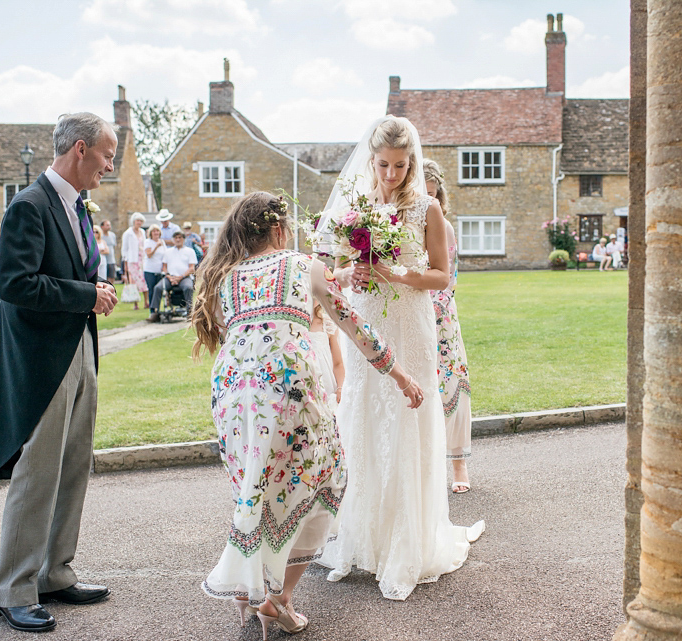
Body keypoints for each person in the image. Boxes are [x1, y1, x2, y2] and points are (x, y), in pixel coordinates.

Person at [191, 191, 422, 640]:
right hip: (287, 390)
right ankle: (277, 599)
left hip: (233, 394)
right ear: (279, 229)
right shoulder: (304, 265)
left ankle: (252, 587)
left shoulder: (224, 275)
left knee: (255, 489)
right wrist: (401, 375)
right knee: (329, 481)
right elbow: (358, 328)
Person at [318, 115, 484, 601]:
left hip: (411, 323)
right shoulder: (356, 205)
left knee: (408, 418)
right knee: (366, 414)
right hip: (367, 320)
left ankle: (408, 539)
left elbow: (441, 277)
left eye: (399, 165)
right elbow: (336, 271)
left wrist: (398, 274)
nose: (391, 174)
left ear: (411, 162)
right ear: (371, 160)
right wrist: (355, 273)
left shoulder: (427, 208)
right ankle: (365, 537)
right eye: (383, 165)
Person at [0, 112, 118, 633]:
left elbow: (70, 272)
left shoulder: (76, 205)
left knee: (74, 465)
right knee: (38, 473)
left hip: (79, 348)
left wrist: (94, 288)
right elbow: (15, 284)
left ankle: (54, 573)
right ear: (80, 149)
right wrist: (88, 294)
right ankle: (13, 590)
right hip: (40, 362)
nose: (110, 165)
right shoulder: (29, 205)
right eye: (107, 154)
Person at [423, 159, 474, 493]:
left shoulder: (446, 227)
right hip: (408, 312)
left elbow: (448, 279)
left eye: (433, 194)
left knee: (450, 381)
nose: (429, 202)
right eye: (422, 194)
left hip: (440, 313)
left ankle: (459, 464)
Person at [148, 230, 195, 320]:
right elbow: (164, 267)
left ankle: (190, 311)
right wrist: (169, 276)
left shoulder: (190, 251)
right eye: (176, 238)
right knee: (158, 287)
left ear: (183, 239)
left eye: (180, 238)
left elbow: (191, 268)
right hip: (170, 278)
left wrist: (180, 277)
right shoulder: (168, 252)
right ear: (173, 240)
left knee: (188, 287)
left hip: (184, 277)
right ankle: (154, 312)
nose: (178, 240)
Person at [308, 303, 345, 410]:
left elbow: (338, 363)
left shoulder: (327, 323)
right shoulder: (292, 323)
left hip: (326, 387)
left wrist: (340, 388)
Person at [121, 212, 148, 310]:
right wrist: (125, 263)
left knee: (144, 280)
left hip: (142, 259)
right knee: (134, 282)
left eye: (141, 221)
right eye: (137, 221)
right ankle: (135, 303)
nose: (139, 223)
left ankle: (146, 302)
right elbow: (124, 249)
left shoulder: (143, 232)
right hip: (132, 260)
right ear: (134, 221)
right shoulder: (128, 233)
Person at [142, 224, 165, 315]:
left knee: (158, 290)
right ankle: (152, 310)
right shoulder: (148, 242)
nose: (156, 233)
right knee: (151, 289)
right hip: (150, 270)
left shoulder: (162, 241)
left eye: (157, 231)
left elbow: (165, 255)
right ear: (151, 233)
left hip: (160, 270)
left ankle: (157, 309)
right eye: (154, 231)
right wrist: (156, 247)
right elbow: (149, 255)